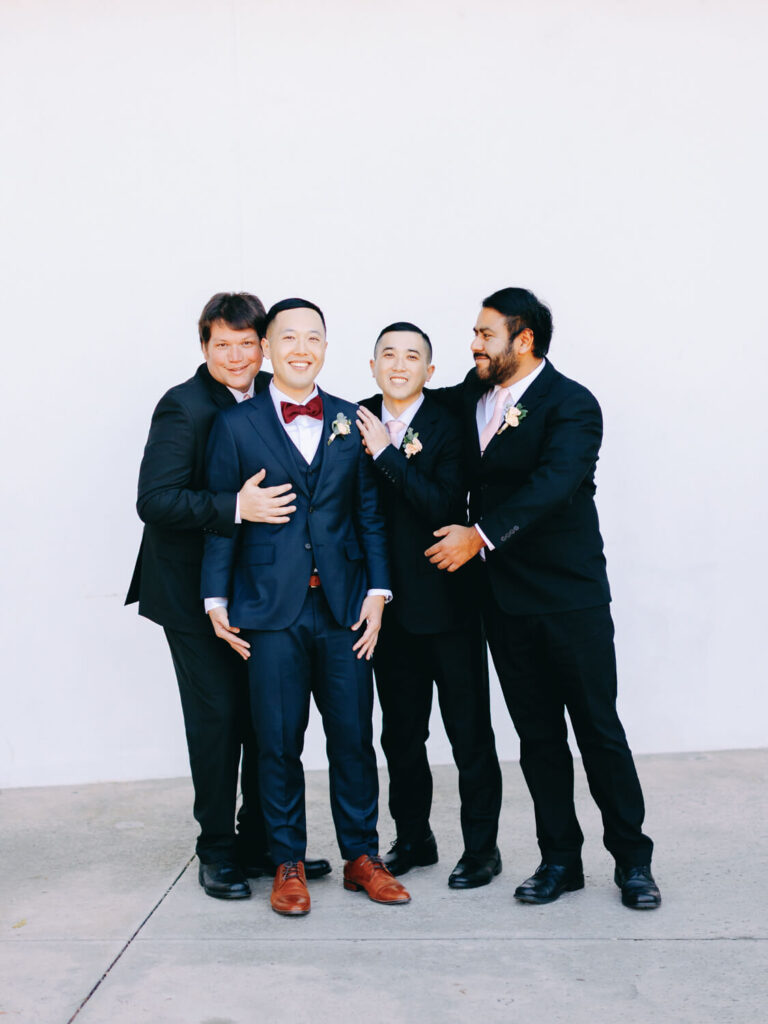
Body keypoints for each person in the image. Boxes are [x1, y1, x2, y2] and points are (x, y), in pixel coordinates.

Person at [426, 287, 661, 910]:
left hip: (568, 598)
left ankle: (633, 862)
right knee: (537, 739)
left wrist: (479, 537)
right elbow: (414, 402)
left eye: (484, 334)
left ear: (522, 339)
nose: (473, 344)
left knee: (597, 731)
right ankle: (560, 860)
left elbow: (553, 485)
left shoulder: (572, 404)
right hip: (503, 604)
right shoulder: (473, 396)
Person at [202, 298, 411, 916]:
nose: (301, 348)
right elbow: (223, 519)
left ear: (325, 347)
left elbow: (369, 515)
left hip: (345, 609)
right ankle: (286, 860)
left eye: (313, 337)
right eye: (287, 337)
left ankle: (360, 857)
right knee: (277, 741)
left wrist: (378, 593)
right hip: (269, 611)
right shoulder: (236, 425)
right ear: (267, 348)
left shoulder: (352, 419)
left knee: (352, 737)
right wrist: (217, 598)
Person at [126, 292, 330, 900]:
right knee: (217, 720)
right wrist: (234, 507)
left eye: (248, 343)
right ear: (205, 347)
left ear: (263, 343)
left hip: (261, 590)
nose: (237, 356)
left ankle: (263, 842)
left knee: (266, 717)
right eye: (223, 344)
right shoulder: (183, 407)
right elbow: (154, 499)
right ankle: (216, 849)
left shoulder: (277, 390)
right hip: (191, 592)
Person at [356, 322, 503, 888]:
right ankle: (414, 836)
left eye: (412, 356)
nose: (399, 364)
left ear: (430, 371)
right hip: (387, 609)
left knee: (469, 734)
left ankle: (482, 849)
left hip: (450, 605)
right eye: (387, 354)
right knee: (400, 735)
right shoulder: (356, 416)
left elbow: (444, 502)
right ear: (372, 366)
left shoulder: (448, 420)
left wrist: (388, 455)